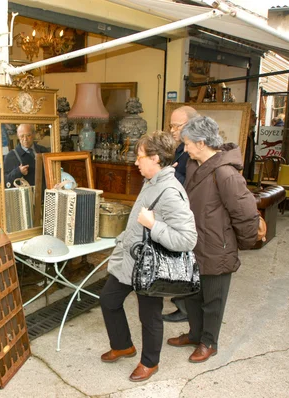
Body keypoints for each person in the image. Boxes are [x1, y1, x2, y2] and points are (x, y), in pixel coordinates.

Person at [99, 131, 197, 382]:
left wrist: (154, 226)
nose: (135, 162)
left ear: (155, 158)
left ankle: (149, 362)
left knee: (149, 315)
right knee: (109, 299)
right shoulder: (152, 181)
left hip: (150, 267)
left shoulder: (170, 191)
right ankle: (123, 345)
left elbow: (187, 239)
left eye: (139, 156)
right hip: (131, 261)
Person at [168, 116, 259, 363]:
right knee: (193, 295)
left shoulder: (225, 173)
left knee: (213, 300)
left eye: (187, 143)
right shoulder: (196, 166)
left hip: (217, 247)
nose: (184, 148)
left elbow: (246, 212)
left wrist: (244, 243)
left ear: (201, 142)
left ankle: (209, 342)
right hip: (195, 243)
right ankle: (195, 334)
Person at [163, 105, 199, 323]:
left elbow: (188, 183)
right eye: (171, 126)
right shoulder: (181, 149)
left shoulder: (193, 153)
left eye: (177, 126)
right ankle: (182, 304)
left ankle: (186, 308)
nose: (173, 130)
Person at [3, 124, 49, 188]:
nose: (25, 139)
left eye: (28, 135)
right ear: (18, 136)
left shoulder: (43, 151)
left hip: (45, 195)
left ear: (33, 135)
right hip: (25, 196)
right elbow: (5, 182)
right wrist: (18, 172)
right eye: (22, 136)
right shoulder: (11, 156)